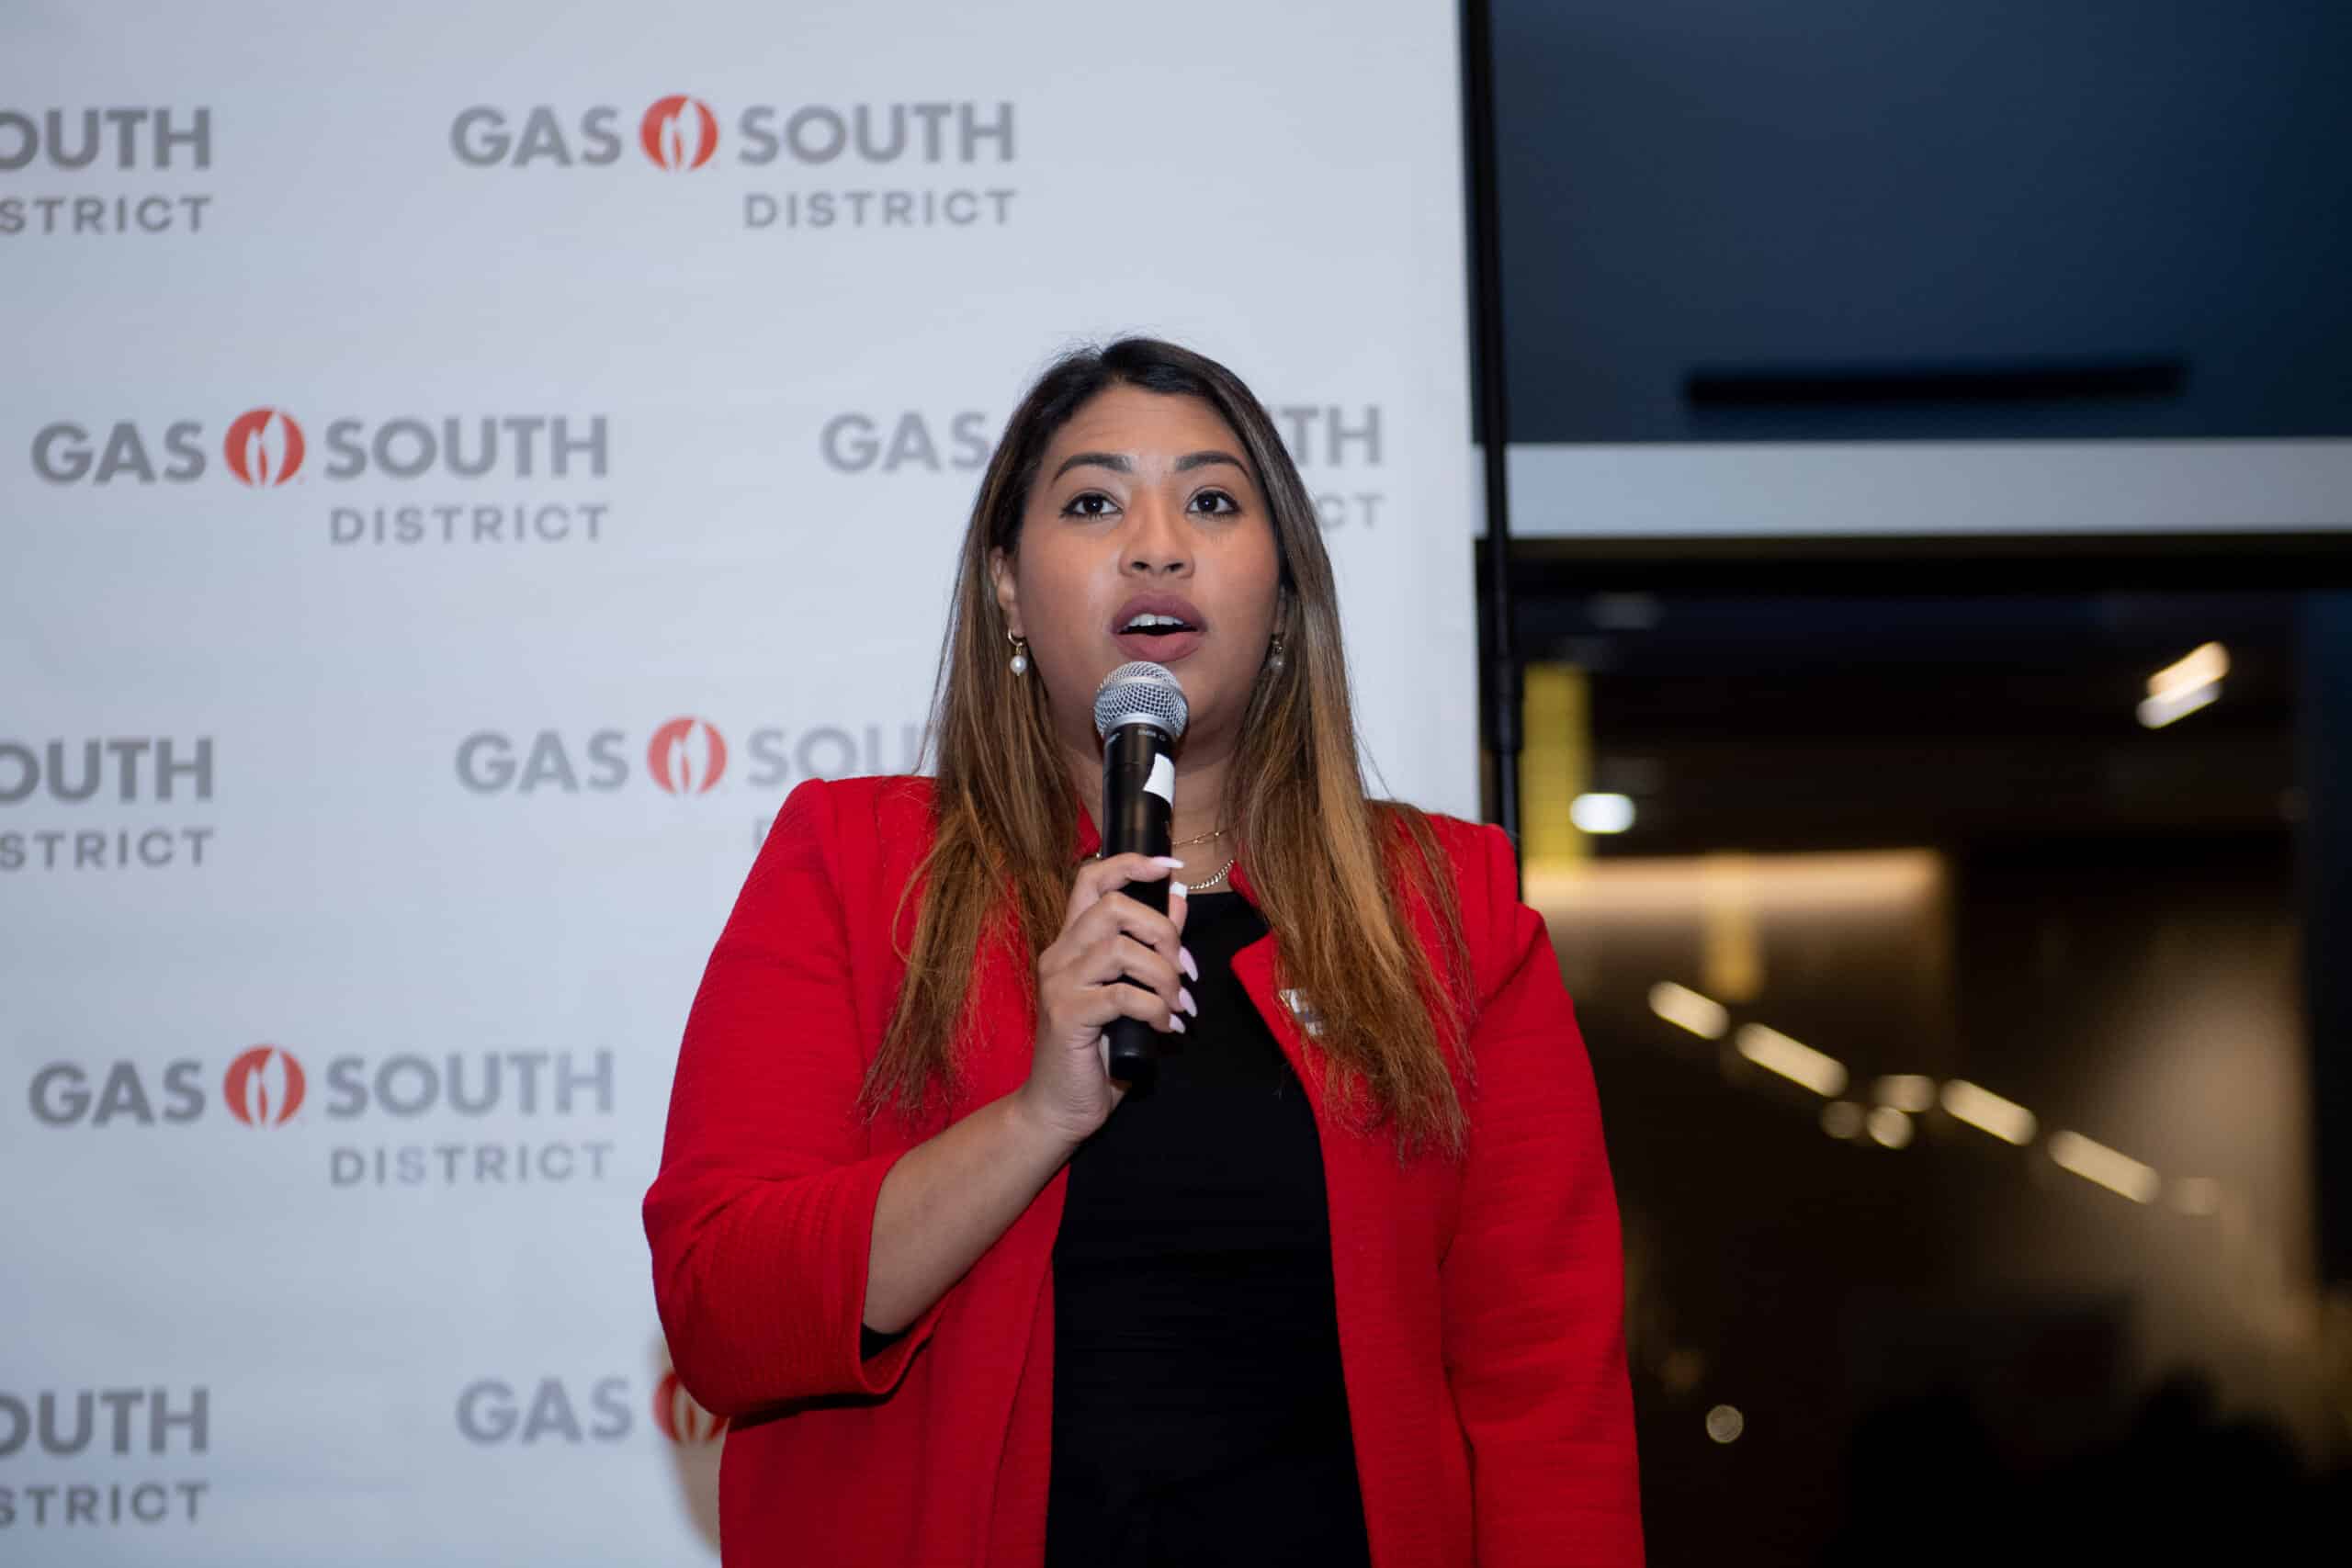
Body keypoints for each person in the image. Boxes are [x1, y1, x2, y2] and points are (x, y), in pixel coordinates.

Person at [642, 337, 1642, 1566]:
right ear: (1008, 589)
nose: (1158, 544)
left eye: (1212, 502)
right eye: (1093, 503)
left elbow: (1548, 1392)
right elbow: (724, 1315)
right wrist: (1037, 1117)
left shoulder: (1448, 907)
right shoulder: (854, 868)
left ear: (1285, 594)